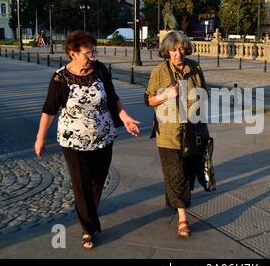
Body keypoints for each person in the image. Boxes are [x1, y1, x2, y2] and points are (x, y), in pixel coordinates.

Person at [34, 30, 140, 249]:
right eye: (88, 52)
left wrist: (126, 117)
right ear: (73, 53)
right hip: (73, 140)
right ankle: (87, 229)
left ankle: (88, 215)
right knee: (81, 184)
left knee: (98, 179)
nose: (92, 56)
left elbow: (112, 98)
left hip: (103, 135)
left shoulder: (100, 70)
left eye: (93, 51)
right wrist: (40, 138)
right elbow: (49, 109)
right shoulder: (60, 78)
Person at [145, 31, 208, 238]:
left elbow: (204, 94)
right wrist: (165, 95)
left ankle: (173, 198)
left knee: (187, 174)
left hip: (193, 131)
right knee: (176, 173)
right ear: (167, 52)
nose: (178, 53)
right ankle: (182, 218)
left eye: (181, 49)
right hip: (168, 133)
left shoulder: (195, 68)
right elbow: (149, 100)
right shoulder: (159, 72)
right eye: (173, 50)